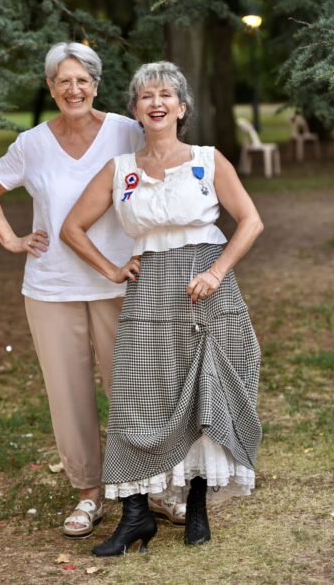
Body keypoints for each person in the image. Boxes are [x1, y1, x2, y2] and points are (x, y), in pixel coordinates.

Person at [60, 61, 264, 555]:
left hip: (206, 287)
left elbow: (251, 221)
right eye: (146, 96)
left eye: (166, 95)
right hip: (149, 288)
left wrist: (216, 272)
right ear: (135, 110)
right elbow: (71, 228)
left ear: (181, 107)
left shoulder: (208, 160)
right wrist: (111, 270)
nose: (156, 103)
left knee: (204, 394)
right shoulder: (121, 171)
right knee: (136, 396)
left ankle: (196, 503)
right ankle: (135, 517)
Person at [0, 42, 145, 539]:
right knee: (68, 395)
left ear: (96, 84)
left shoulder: (126, 132)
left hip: (120, 281)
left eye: (82, 80)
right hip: (50, 287)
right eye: (63, 81)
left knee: (132, 388)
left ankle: (148, 485)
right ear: (51, 87)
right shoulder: (32, 143)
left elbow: (162, 172)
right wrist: (10, 238)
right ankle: (89, 492)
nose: (74, 89)